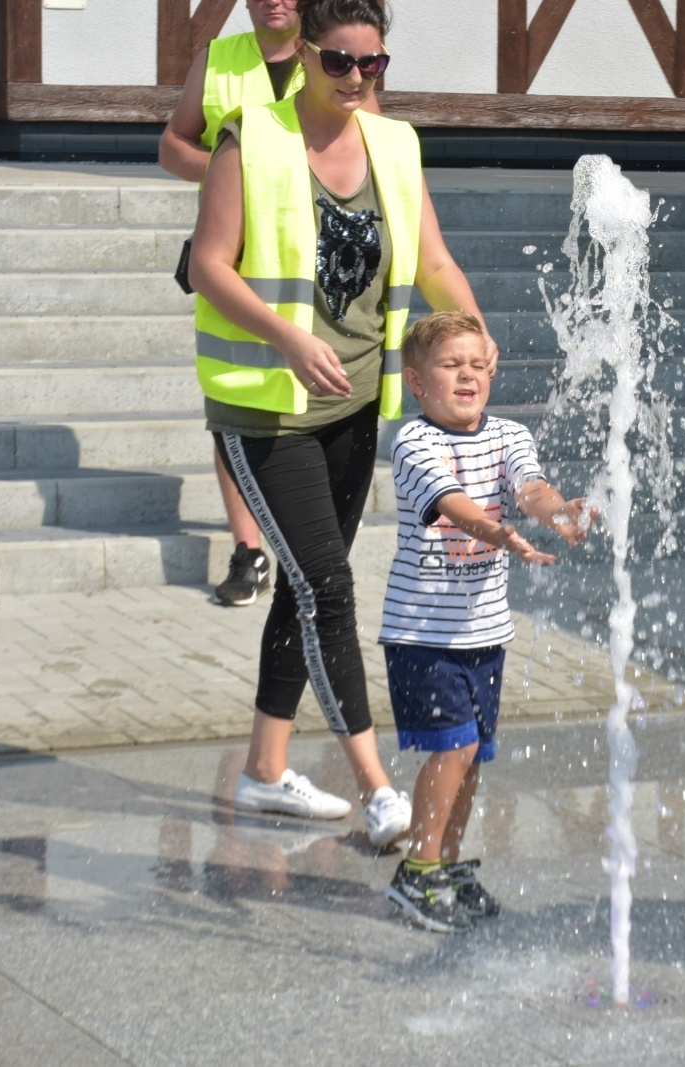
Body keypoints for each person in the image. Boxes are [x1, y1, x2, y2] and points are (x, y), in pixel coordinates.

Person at [189, 0, 498, 843]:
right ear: (305, 53)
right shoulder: (250, 139)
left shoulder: (394, 144)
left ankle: (264, 771)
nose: (357, 78)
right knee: (328, 587)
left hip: (357, 405)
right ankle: (377, 787)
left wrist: (474, 335)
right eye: (339, 62)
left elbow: (433, 260)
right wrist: (288, 338)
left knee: (305, 582)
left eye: (373, 64)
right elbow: (210, 265)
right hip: (265, 406)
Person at [378, 311, 592, 931]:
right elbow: (453, 504)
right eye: (451, 365)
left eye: (477, 364)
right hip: (423, 633)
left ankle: (445, 865)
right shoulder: (413, 443)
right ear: (417, 381)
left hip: (486, 633)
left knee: (472, 756)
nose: (467, 375)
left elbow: (530, 488)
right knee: (455, 746)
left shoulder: (508, 435)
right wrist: (496, 533)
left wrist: (558, 512)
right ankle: (417, 871)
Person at [161, 0, 307, 607]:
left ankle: (303, 543)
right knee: (232, 397)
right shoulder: (215, 58)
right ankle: (249, 552)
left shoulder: (335, 59)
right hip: (232, 255)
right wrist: (232, 170)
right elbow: (172, 146)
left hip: (308, 257)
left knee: (307, 404)